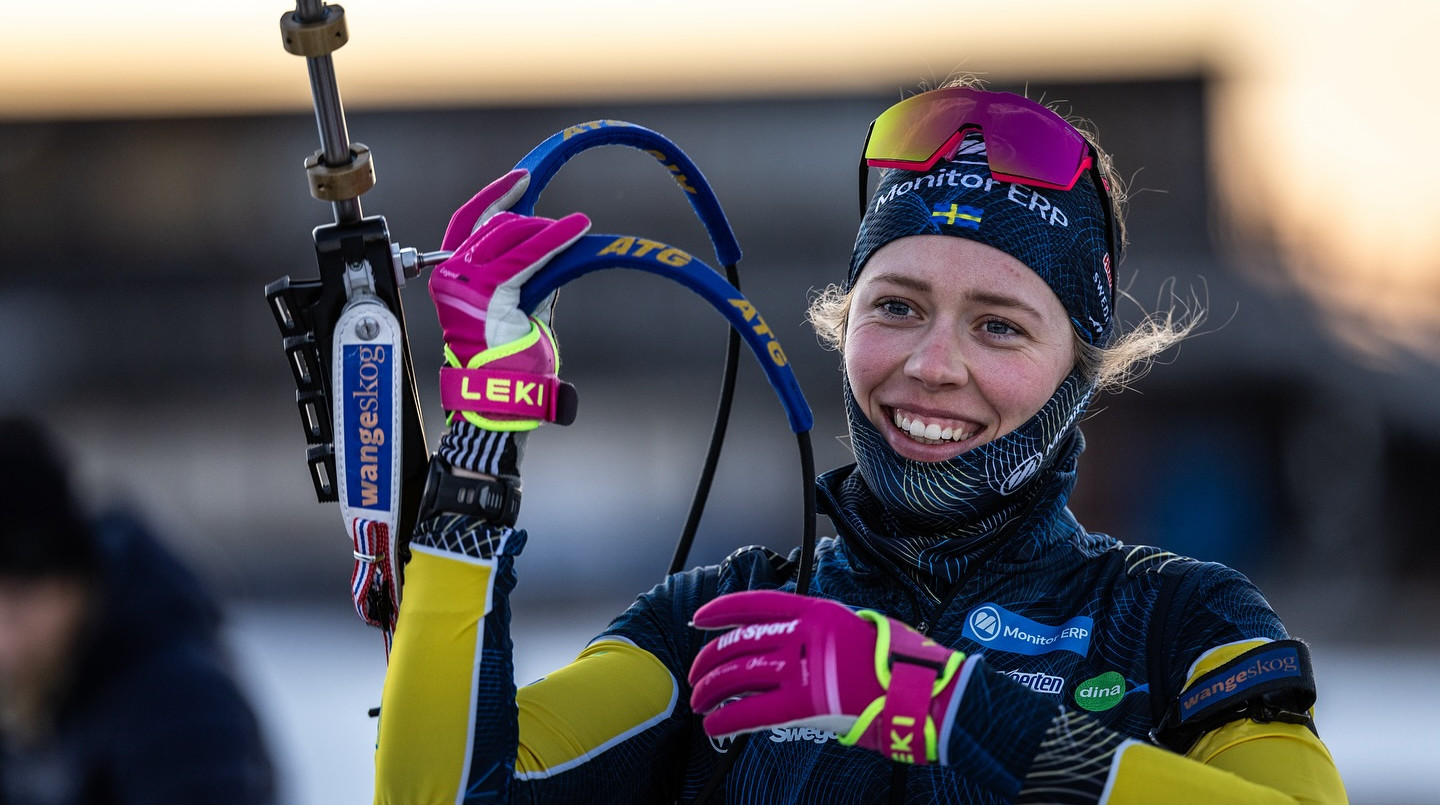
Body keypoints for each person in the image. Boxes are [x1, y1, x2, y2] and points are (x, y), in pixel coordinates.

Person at [371, 81, 1348, 803]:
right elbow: (444, 793)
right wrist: (477, 452)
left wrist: (947, 708)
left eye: (999, 324)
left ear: (1080, 368)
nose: (931, 362)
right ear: (846, 325)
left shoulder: (1176, 621)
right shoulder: (725, 619)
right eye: (898, 305)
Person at [0, 416, 275, 803]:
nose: (5, 639)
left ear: (72, 587)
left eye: (18, 605)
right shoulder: (32, 696)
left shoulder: (178, 708)